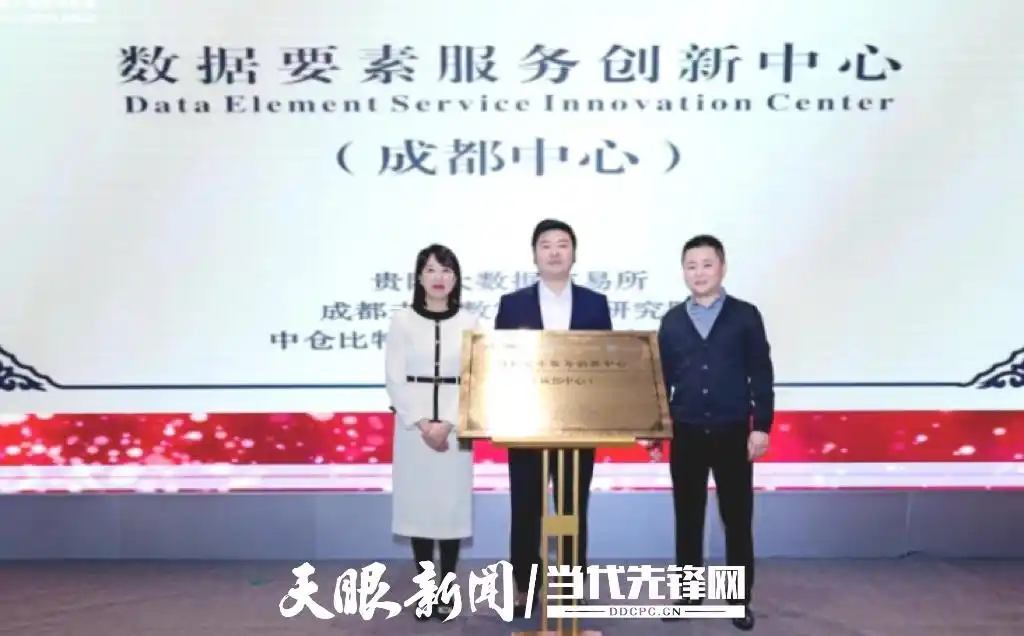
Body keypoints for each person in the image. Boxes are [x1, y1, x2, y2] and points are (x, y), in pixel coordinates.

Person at [650, 234, 774, 631]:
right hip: (685, 431)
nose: (699, 273)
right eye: (691, 266)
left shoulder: (745, 315)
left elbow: (761, 373)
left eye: (707, 264)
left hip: (732, 431)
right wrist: (654, 430)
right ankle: (688, 595)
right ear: (683, 272)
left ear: (722, 267)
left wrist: (762, 426)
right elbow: (660, 381)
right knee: (687, 517)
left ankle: (738, 601)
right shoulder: (672, 320)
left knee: (736, 518)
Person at [494, 219, 613, 617]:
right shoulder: (513, 304)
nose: (555, 252)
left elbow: (607, 365)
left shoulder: (595, 304)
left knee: (572, 509)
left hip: (579, 426)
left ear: (573, 254)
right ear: (535, 255)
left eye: (563, 244)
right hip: (526, 425)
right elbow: (500, 363)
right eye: (546, 245)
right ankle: (524, 588)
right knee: (525, 508)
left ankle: (570, 587)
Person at [384, 243, 479, 621]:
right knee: (420, 510)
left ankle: (447, 589)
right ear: (419, 277)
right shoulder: (402, 321)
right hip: (413, 430)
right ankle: (426, 591)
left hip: (456, 428)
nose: (439, 277)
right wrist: (423, 423)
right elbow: (394, 377)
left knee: (450, 510)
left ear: (456, 278)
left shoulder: (470, 322)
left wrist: (449, 423)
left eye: (446, 270)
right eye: (431, 270)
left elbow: (474, 378)